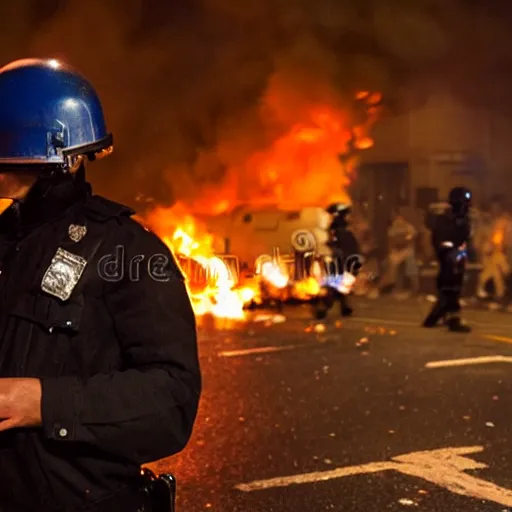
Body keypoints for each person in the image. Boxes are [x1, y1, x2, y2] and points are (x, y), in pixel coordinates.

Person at [0, 58, 201, 511]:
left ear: (54, 157)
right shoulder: (5, 239)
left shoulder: (129, 251)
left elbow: (172, 402)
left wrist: (43, 402)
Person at [422, 186, 472, 332]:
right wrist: (449, 251)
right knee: (448, 289)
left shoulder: (463, 219)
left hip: (458, 257)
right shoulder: (444, 219)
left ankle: (441, 318)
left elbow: (464, 237)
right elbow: (439, 238)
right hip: (447, 257)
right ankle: (448, 320)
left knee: (453, 289)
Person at [313, 202, 360, 319]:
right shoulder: (337, 229)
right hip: (338, 259)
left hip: (342, 258)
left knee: (338, 283)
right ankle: (325, 309)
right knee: (335, 284)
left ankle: (343, 307)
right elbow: (338, 245)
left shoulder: (338, 228)